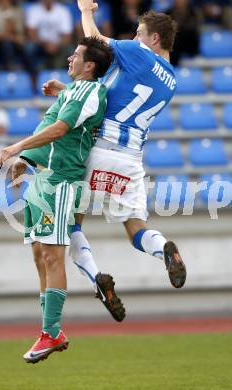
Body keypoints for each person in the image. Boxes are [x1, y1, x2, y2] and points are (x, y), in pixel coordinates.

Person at [44, 2, 187, 298]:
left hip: (98, 148)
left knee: (71, 222)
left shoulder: (139, 54)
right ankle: (163, 249)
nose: (135, 39)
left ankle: (96, 277)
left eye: (139, 33)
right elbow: (116, 93)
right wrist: (68, 91)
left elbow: (94, 42)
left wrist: (85, 11)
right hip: (132, 158)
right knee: (137, 230)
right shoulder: (172, 80)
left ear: (154, 39)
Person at [0, 37, 114, 364]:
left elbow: (61, 129)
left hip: (62, 181)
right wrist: (28, 163)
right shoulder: (72, 92)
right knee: (39, 255)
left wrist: (16, 147)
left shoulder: (91, 92)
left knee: (52, 256)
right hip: (43, 179)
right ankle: (49, 330)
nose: (69, 57)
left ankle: (51, 332)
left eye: (75, 55)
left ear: (89, 65)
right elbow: (50, 124)